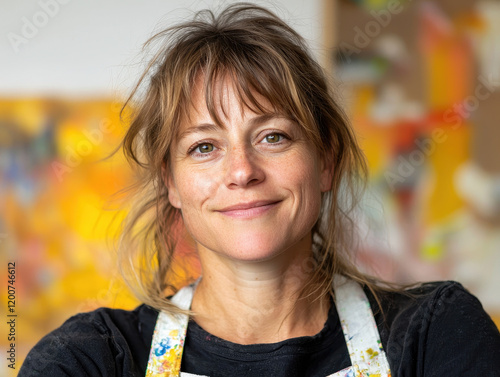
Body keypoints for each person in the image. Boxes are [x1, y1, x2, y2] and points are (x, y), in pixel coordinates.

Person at [19, 3, 500, 376]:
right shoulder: (94, 358)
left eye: (273, 137)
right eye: (205, 146)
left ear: (326, 161)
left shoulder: (435, 334)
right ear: (172, 183)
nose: (242, 171)